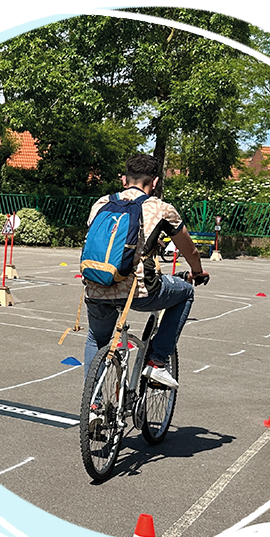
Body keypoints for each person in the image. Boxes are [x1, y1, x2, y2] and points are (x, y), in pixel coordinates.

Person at [83, 153, 210, 389]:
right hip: (139, 291)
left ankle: (93, 404)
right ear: (155, 182)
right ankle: (158, 361)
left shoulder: (101, 203)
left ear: (124, 180)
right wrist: (197, 271)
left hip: (97, 286)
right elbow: (190, 250)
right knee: (185, 292)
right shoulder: (161, 209)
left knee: (96, 338)